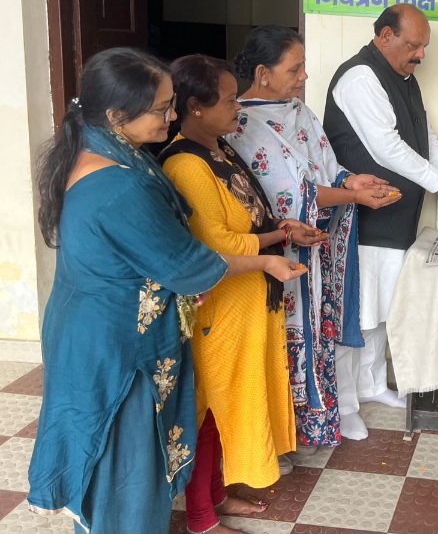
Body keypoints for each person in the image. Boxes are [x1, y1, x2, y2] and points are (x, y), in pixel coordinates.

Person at [28, 48, 305, 534]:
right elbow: (189, 263)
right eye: (161, 108)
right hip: (117, 345)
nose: (172, 116)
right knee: (126, 465)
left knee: (112, 455)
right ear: (117, 115)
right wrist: (264, 260)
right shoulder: (119, 185)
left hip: (91, 326)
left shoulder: (103, 151)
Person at [160, 55, 328, 534]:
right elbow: (215, 243)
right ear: (196, 106)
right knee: (208, 409)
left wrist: (285, 230)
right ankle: (200, 518)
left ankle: (217, 494)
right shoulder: (185, 164)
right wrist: (276, 241)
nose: (238, 108)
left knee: (228, 406)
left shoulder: (219, 149)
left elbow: (249, 217)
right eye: (230, 100)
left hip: (248, 299)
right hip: (220, 305)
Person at [226, 26, 400, 446]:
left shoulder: (299, 111)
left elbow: (325, 165)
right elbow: (289, 194)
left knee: (326, 328)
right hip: (281, 251)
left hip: (319, 245)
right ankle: (284, 434)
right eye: (295, 68)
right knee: (289, 335)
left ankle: (335, 409)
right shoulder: (241, 123)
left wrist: (351, 181)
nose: (304, 76)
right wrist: (354, 197)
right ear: (263, 73)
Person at [323, 4, 438, 440]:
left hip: (395, 216)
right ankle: (345, 403)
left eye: (424, 46)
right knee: (357, 313)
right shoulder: (360, 77)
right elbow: (385, 147)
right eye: (414, 45)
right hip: (361, 217)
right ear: (385, 36)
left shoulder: (404, 77)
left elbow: (423, 135)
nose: (421, 55)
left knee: (381, 309)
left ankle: (372, 385)